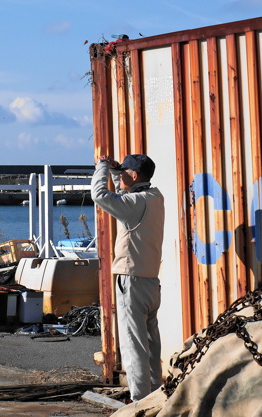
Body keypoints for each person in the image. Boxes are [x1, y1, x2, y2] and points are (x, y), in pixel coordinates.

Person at [91, 153, 164, 401]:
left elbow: (100, 196)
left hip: (131, 280)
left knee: (134, 344)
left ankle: (139, 401)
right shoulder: (154, 198)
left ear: (133, 176)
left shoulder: (134, 204)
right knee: (152, 343)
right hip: (151, 280)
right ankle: (156, 395)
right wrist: (115, 171)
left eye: (124, 172)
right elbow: (125, 195)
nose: (119, 176)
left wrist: (102, 167)